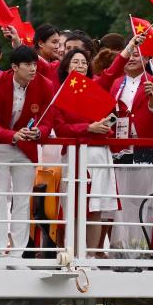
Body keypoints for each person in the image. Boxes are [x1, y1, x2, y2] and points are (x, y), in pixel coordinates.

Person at [0, 44, 52, 262]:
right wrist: (12, 135)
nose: (32, 69)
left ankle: (17, 254)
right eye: (28, 65)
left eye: (35, 64)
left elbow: (48, 121)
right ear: (14, 67)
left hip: (27, 147)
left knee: (22, 200)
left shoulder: (45, 85)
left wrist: (39, 132)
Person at [95, 31, 153, 255]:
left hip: (146, 147)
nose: (134, 57)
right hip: (120, 147)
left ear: (147, 59)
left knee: (143, 201)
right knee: (121, 202)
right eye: (131, 54)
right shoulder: (116, 83)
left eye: (139, 54)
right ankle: (121, 250)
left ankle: (141, 251)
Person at [50, 46, 118, 256]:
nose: (80, 66)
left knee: (95, 209)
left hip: (98, 154)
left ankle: (90, 255)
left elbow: (112, 74)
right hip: (73, 155)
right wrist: (88, 128)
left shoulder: (95, 88)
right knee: (72, 207)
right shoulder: (59, 91)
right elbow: (60, 128)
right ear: (66, 66)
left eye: (84, 62)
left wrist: (104, 125)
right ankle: (72, 253)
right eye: (75, 62)